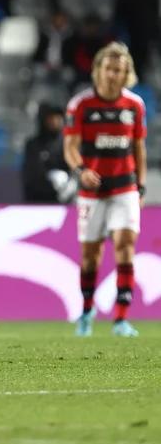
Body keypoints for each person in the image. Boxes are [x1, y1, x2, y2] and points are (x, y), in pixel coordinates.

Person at [63, 42, 147, 337]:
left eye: (120, 70)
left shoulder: (134, 105)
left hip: (125, 188)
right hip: (92, 192)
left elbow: (139, 147)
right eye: (110, 69)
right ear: (98, 69)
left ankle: (121, 319)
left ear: (127, 73)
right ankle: (87, 311)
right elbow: (70, 147)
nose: (114, 75)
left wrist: (142, 186)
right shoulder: (81, 105)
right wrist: (81, 170)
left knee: (125, 247)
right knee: (91, 256)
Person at [22, 103, 77, 204]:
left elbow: (75, 168)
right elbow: (32, 174)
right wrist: (51, 182)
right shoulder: (33, 145)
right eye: (52, 118)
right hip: (38, 202)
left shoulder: (67, 145)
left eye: (58, 118)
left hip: (64, 201)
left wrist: (72, 184)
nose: (56, 121)